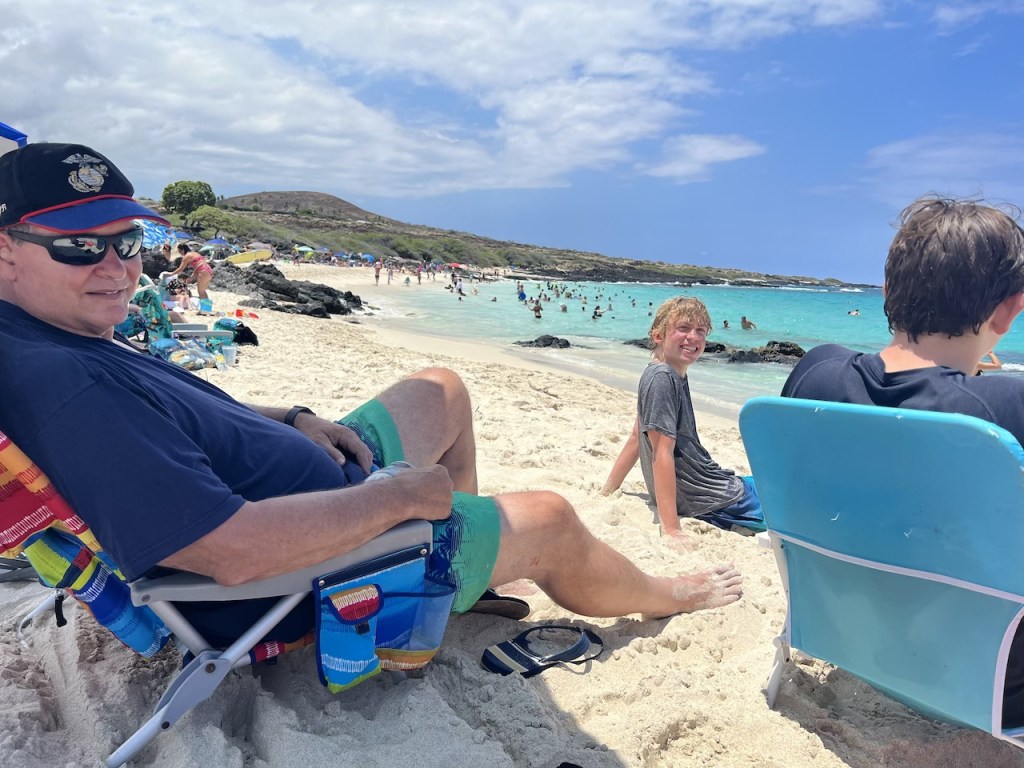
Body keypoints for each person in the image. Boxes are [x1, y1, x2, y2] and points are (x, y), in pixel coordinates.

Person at [0, 143, 743, 650]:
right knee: (550, 518)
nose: (117, 266)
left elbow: (164, 421)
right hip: (304, 571)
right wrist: (395, 500)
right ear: (4, 249)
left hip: (324, 491)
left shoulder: (49, 331)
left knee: (441, 389)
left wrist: (291, 418)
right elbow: (227, 553)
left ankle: (454, 575)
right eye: (79, 245)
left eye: (127, 240)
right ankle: (662, 592)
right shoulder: (62, 381)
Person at [780, 195, 1024, 727]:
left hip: (844, 639)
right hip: (991, 686)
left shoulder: (815, 374)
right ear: (1010, 310)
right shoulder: (1006, 411)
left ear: (888, 290)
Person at [601, 297, 764, 545]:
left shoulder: (666, 371)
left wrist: (608, 490)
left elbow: (636, 436)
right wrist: (671, 529)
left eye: (700, 331)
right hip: (704, 497)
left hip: (705, 485)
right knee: (791, 504)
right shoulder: (662, 378)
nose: (693, 337)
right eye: (684, 328)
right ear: (658, 336)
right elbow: (661, 453)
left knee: (766, 483)